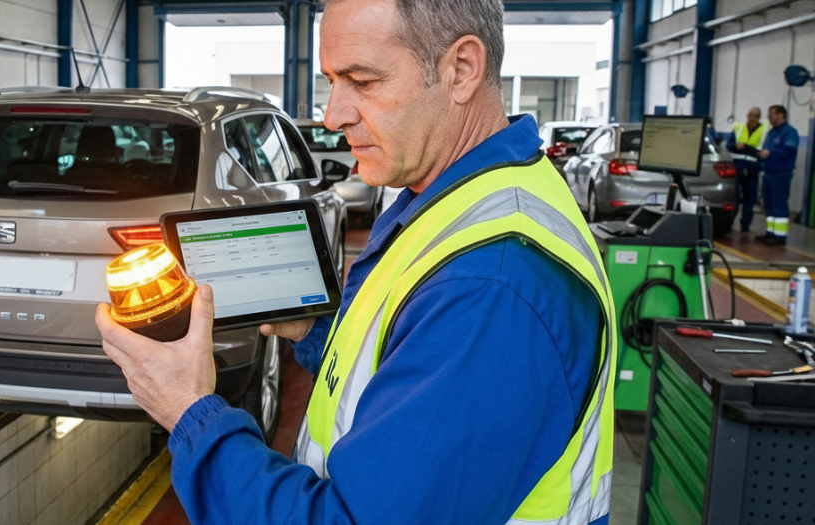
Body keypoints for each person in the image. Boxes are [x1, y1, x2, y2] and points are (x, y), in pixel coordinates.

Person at [95, 0, 617, 523]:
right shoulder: (464, 194)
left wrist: (188, 410)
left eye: (362, 81)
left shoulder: (493, 285)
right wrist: (319, 329)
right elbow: (413, 361)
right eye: (330, 81)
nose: (332, 115)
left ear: (461, 70)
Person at [757, 105, 800, 246]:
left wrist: (770, 154)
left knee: (779, 204)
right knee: (768, 204)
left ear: (781, 115)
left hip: (781, 173)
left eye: (772, 115)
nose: (769, 118)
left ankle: (780, 236)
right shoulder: (772, 132)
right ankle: (771, 232)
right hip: (769, 172)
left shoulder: (789, 132)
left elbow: (789, 150)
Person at [728, 108, 767, 233]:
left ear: (759, 117)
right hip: (737, 167)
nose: (752, 118)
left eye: (755, 116)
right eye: (750, 115)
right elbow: (728, 145)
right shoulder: (738, 127)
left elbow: (764, 150)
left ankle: (745, 225)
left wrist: (748, 148)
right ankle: (730, 222)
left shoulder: (764, 131)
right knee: (733, 197)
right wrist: (735, 146)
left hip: (752, 169)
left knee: (750, 198)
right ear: (747, 115)